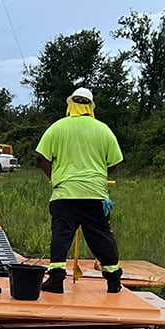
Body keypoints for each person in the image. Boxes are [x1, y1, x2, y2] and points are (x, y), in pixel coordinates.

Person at [35, 87, 124, 294]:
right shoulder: (103, 130)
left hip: (64, 194)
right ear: (91, 107)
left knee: (61, 236)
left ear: (70, 104)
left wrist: (55, 178)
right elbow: (115, 162)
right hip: (94, 195)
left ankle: (56, 280)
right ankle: (113, 280)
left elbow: (41, 158)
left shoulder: (57, 128)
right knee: (101, 237)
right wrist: (99, 173)